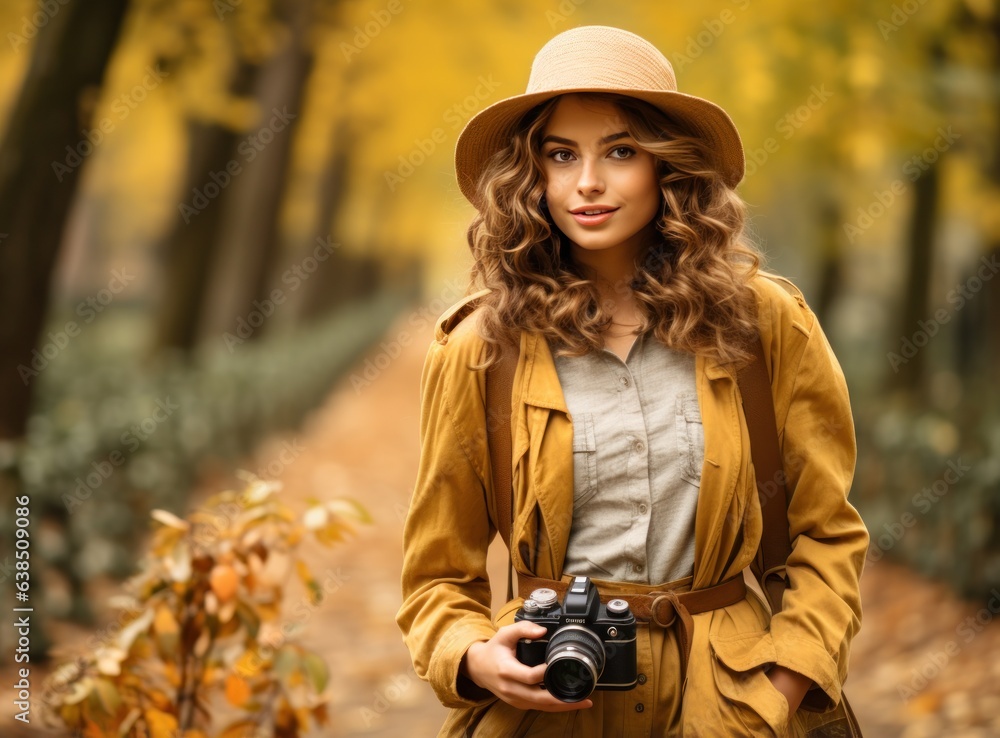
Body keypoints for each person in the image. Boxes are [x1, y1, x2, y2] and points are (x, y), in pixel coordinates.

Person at [396, 25, 869, 737]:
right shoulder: (479, 349)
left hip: (731, 711)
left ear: (667, 167)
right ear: (534, 176)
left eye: (620, 150)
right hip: (549, 707)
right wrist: (472, 655)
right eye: (561, 155)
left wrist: (782, 688)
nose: (587, 182)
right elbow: (438, 577)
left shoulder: (763, 324)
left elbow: (826, 535)